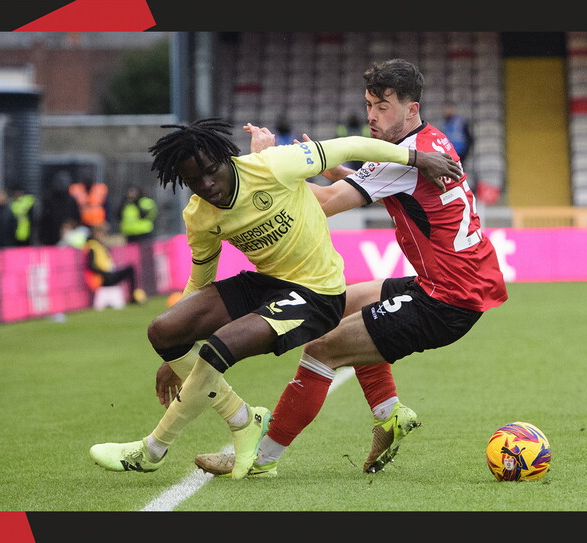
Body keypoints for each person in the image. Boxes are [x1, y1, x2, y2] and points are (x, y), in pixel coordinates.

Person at [88, 117, 462, 480]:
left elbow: (351, 144)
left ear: (227, 158)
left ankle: (153, 448)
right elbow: (201, 280)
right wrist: (179, 343)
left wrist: (418, 158)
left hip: (317, 292)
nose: (206, 185)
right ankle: (244, 419)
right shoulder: (200, 215)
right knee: (164, 330)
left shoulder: (274, 165)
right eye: (193, 181)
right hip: (269, 283)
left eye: (211, 172)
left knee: (220, 347)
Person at [191, 58, 508, 479]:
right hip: (451, 282)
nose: (372, 115)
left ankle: (261, 459)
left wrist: (268, 167)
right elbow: (379, 182)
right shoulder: (430, 142)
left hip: (446, 299)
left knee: (322, 347)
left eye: (383, 107)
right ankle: (390, 414)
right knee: (338, 304)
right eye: (369, 105)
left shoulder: (401, 161)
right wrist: (331, 168)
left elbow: (322, 205)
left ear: (411, 109)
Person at [83, 221, 147, 304]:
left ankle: (134, 294)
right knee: (130, 270)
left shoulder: (99, 245)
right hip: (102, 278)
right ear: (96, 233)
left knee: (129, 269)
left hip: (107, 274)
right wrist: (105, 273)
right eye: (102, 233)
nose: (103, 236)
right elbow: (91, 266)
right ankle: (133, 296)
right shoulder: (92, 247)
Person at [39, 171, 81, 246]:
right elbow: (44, 220)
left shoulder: (71, 201)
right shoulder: (49, 199)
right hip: (50, 238)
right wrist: (43, 238)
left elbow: (76, 219)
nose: (61, 185)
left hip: (67, 238)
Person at [441, 100, 474, 167]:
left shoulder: (461, 122)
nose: (448, 111)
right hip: (449, 153)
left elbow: (469, 137)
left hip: (461, 152)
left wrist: (466, 151)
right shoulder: (443, 124)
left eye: (449, 109)